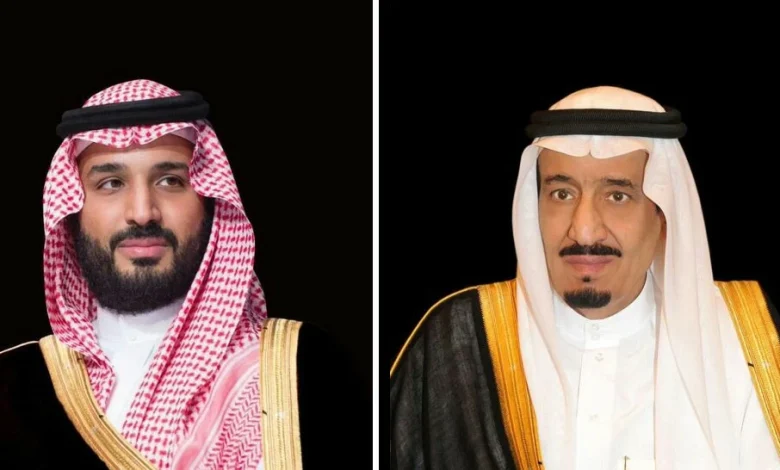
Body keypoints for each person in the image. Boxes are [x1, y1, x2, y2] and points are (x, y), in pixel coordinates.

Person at [389, 85, 779, 469]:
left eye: (617, 196)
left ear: (662, 214)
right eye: (562, 194)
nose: (584, 230)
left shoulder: (743, 341)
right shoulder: (460, 340)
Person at [0, 79, 357, 469]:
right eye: (111, 184)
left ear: (209, 201)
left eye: (170, 181)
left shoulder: (302, 368)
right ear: (72, 212)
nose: (142, 212)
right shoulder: (16, 384)